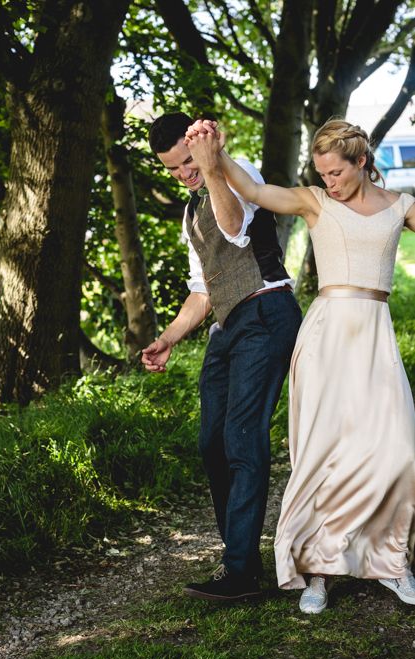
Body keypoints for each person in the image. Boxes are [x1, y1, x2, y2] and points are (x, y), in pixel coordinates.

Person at [186, 117, 415, 614]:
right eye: (321, 172)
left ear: (361, 162)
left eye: (336, 172)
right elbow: (252, 189)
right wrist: (215, 154)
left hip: (375, 334)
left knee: (398, 447)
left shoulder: (402, 206)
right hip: (326, 333)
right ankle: (317, 572)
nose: (328, 180)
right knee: (322, 456)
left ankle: (391, 562)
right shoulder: (315, 202)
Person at [142, 112, 302, 601]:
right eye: (173, 169)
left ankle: (240, 572)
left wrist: (213, 165)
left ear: (205, 148)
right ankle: (240, 558)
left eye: (189, 162)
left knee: (240, 435)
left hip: (268, 311)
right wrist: (168, 337)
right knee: (212, 442)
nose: (185, 174)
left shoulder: (237, 171)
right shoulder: (190, 213)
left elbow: (233, 227)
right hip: (227, 326)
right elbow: (202, 290)